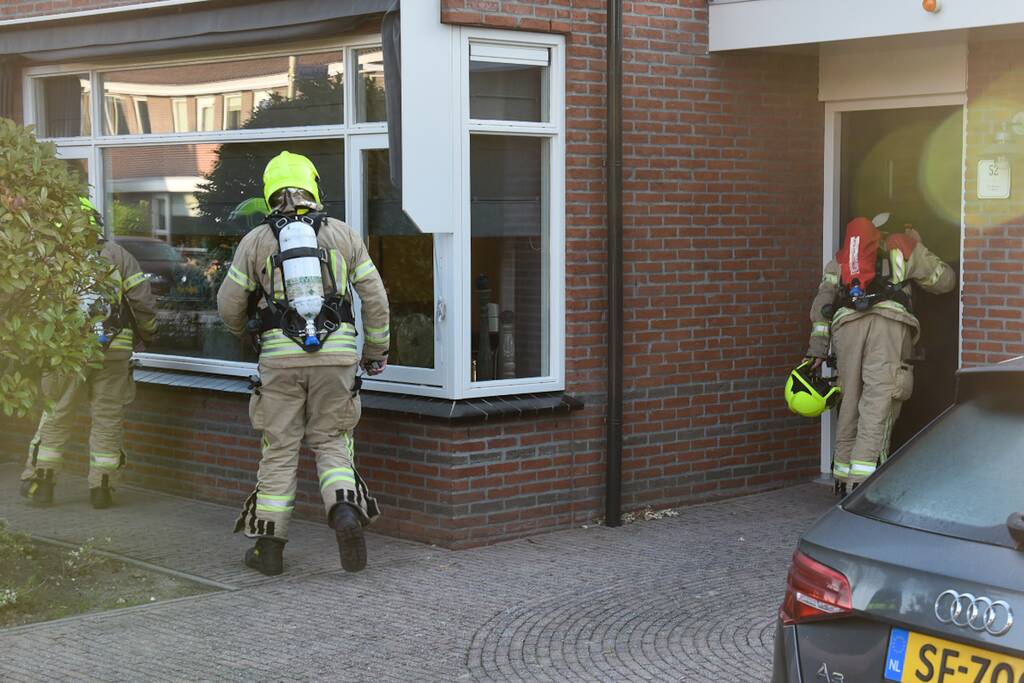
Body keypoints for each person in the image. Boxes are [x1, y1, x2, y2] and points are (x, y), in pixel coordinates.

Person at [217, 151, 390, 576]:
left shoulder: (256, 240)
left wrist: (244, 331)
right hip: (337, 356)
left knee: (279, 449)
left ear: (270, 190)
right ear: (313, 186)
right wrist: (376, 353)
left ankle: (269, 550)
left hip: (279, 359)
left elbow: (228, 306)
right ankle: (345, 511)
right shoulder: (344, 235)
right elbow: (375, 298)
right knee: (332, 440)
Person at [20, 197, 158, 509]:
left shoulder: (52, 258)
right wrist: (148, 334)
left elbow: (37, 308)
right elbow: (142, 302)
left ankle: (42, 484)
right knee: (107, 418)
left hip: (66, 352)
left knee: (56, 413)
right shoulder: (119, 255)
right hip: (114, 351)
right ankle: (102, 489)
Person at [806, 215, 955, 495]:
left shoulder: (841, 259)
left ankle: (842, 481)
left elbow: (823, 306)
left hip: (845, 326)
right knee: (879, 402)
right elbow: (945, 280)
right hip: (888, 326)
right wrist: (920, 245)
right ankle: (864, 487)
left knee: (849, 400)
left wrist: (816, 350)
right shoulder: (902, 246)